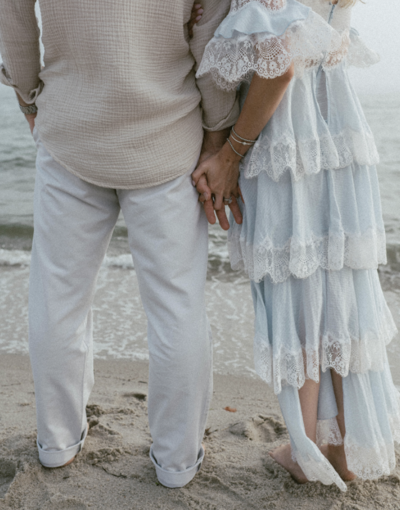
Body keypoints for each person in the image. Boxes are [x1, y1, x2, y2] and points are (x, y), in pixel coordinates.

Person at [0, 0, 242, 488]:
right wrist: (218, 132)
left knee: (58, 298)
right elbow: (210, 29)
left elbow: (14, 16)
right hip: (168, 133)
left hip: (70, 128)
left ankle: (57, 443)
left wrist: (28, 97)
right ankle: (176, 462)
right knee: (177, 307)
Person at [193, 0, 400, 491]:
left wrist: (230, 152)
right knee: (343, 292)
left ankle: (307, 449)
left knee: (299, 291)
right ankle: (347, 446)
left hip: (287, 137)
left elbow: (279, 66)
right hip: (338, 133)